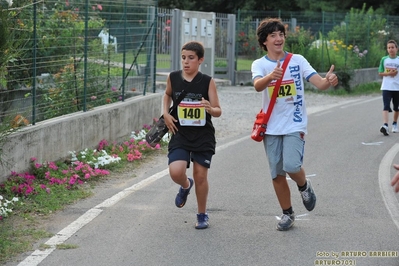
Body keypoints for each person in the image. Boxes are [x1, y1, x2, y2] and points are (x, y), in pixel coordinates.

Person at [251, 18, 338, 231]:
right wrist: (271, 76)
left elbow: (319, 83)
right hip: (270, 127)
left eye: (281, 34)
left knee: (291, 165)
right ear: (264, 41)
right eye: (273, 36)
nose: (279, 39)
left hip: (295, 124)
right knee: (277, 174)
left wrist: (329, 80)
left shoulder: (297, 60)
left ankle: (304, 185)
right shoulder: (259, 64)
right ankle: (287, 214)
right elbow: (257, 86)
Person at [162, 41, 222, 229]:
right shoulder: (173, 77)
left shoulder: (207, 81)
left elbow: (218, 110)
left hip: (203, 135)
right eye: (183, 58)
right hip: (180, 132)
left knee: (201, 176)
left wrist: (210, 109)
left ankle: (202, 214)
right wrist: (165, 113)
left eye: (191, 58)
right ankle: (186, 185)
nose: (186, 62)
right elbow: (167, 95)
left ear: (200, 59)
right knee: (176, 171)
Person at [378, 39, 399, 136]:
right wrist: (389, 73)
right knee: (386, 106)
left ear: (396, 49)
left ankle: (394, 123)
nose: (391, 49)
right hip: (386, 87)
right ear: (387, 49)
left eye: (392, 47)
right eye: (389, 48)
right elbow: (380, 73)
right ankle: (385, 125)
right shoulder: (384, 60)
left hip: (397, 87)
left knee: (397, 108)